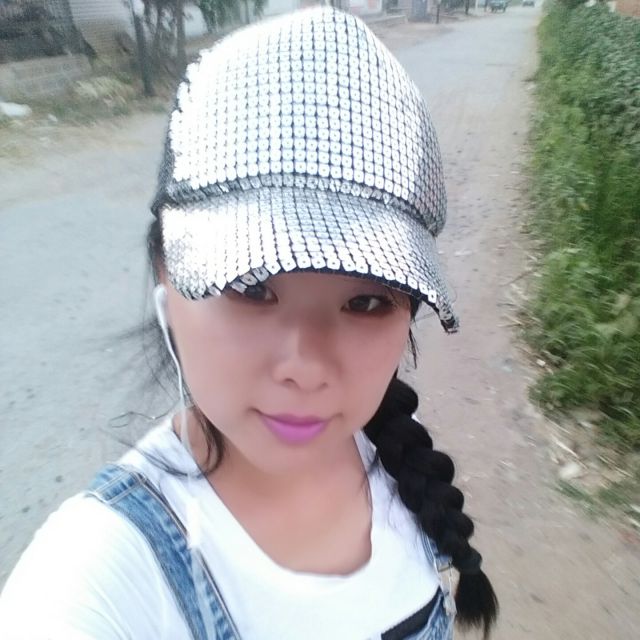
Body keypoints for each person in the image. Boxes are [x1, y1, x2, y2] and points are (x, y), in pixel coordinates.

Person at [0, 6, 498, 640]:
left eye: (367, 302)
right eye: (250, 286)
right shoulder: (99, 572)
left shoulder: (397, 457)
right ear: (165, 274)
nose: (306, 368)